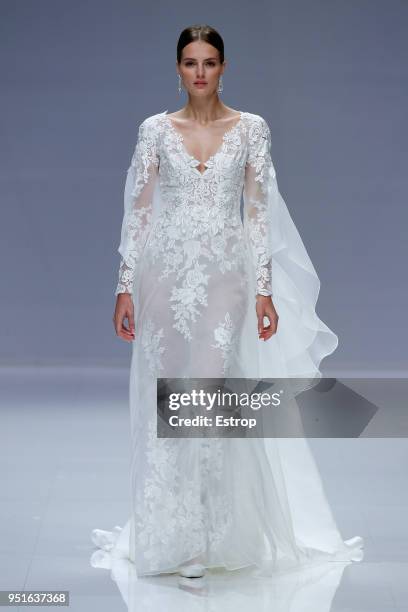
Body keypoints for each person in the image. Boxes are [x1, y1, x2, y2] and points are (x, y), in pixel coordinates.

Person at [90, 24, 364, 580]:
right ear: (177, 69)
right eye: (190, 63)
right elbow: (138, 213)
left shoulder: (251, 130)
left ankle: (209, 534)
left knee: (208, 394)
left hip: (226, 277)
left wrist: (263, 289)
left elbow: (258, 212)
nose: (199, 73)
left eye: (209, 62)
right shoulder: (155, 131)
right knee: (167, 396)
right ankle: (171, 532)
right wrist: (124, 285)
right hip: (163, 276)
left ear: (223, 67)